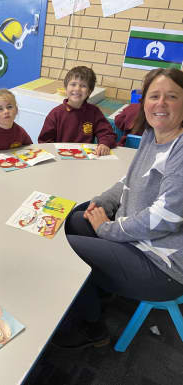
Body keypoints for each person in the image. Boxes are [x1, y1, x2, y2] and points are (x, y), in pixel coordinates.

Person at [57, 68, 183, 349]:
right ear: (144, 102)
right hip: (139, 243)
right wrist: (102, 201)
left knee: (67, 249)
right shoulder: (154, 135)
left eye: (171, 96)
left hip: (162, 266)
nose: (160, 104)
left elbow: (164, 219)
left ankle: (93, 328)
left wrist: (107, 229)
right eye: (154, 96)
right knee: (77, 220)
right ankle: (98, 292)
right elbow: (130, 179)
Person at [38, 66, 116, 156]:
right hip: (60, 159)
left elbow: (107, 133)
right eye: (73, 84)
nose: (77, 89)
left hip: (85, 160)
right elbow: (44, 141)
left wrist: (104, 144)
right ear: (66, 88)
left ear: (89, 92)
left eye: (83, 86)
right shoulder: (55, 114)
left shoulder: (94, 112)